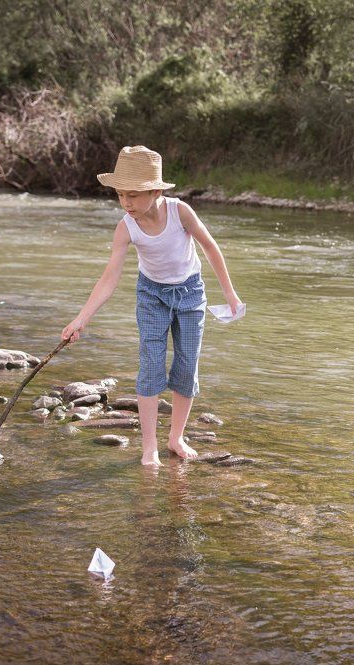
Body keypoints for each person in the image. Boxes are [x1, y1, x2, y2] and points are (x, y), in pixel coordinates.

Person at [62, 145, 242, 467]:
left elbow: (211, 249)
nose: (126, 203)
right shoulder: (126, 227)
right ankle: (149, 447)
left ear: (156, 191)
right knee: (150, 365)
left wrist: (229, 294)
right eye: (121, 195)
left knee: (187, 367)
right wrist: (80, 320)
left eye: (134, 194)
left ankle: (176, 437)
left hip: (190, 294)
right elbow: (109, 278)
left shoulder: (180, 212)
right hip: (151, 296)